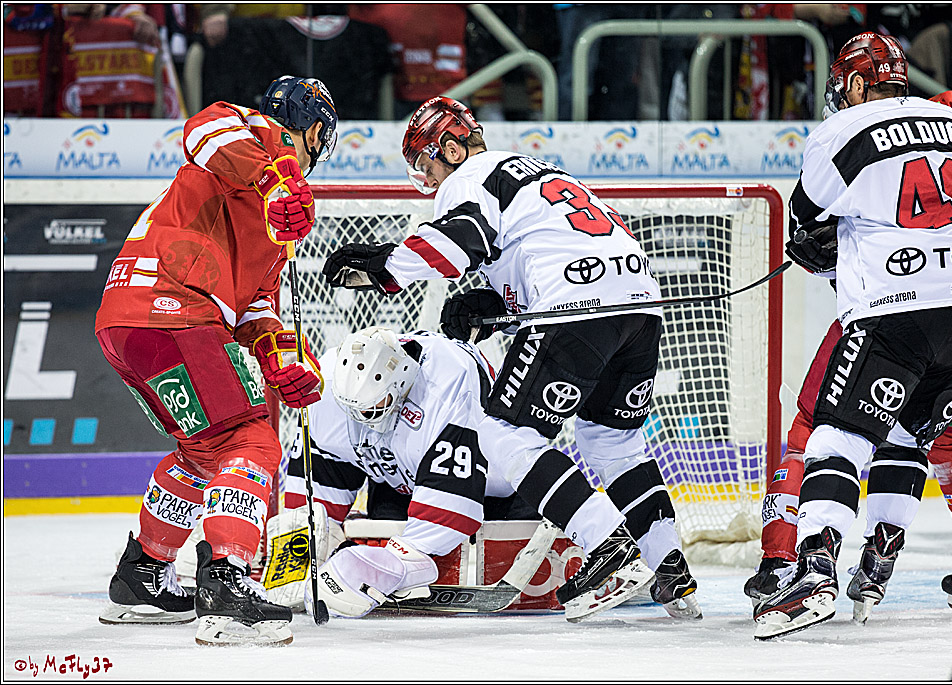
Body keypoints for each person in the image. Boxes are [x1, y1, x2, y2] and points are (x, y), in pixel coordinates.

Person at [320, 96, 700, 620]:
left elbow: (460, 243)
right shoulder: (536, 170)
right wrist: (495, 303)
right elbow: (541, 247)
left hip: (572, 306)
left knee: (502, 437)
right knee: (614, 444)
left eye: (428, 164)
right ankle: (670, 569)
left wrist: (381, 266)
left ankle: (610, 549)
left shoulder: (470, 176)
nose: (428, 181)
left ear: (451, 147)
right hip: (641, 306)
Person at [753, 33, 952, 640]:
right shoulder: (951, 119)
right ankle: (878, 564)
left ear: (859, 84)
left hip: (898, 310)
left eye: (844, 85)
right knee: (912, 442)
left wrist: (817, 245)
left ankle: (811, 576)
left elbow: (807, 221)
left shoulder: (840, 131)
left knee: (832, 438)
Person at [94, 75, 338, 646]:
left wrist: (282, 356)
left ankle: (143, 576)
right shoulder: (250, 132)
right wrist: (275, 179)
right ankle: (226, 584)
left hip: (130, 320)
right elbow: (202, 129)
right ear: (316, 131)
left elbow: (255, 305)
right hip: (172, 306)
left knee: (204, 450)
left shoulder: (278, 218)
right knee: (251, 442)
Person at [266, 327, 551, 617]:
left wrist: (398, 563)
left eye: (374, 406)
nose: (362, 417)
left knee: (497, 528)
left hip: (495, 487)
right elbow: (318, 481)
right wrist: (303, 550)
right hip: (404, 480)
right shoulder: (328, 386)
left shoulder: (446, 382)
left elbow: (455, 507)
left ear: (401, 383)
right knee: (370, 515)